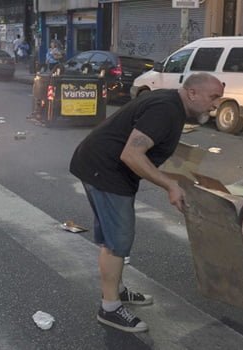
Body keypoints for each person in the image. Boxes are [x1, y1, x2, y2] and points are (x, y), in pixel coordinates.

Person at [69, 72, 224, 333]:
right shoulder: (165, 110)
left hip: (100, 166)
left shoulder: (172, 106)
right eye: (214, 97)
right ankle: (109, 308)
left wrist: (185, 177)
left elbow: (157, 146)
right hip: (105, 171)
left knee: (114, 238)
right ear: (192, 93)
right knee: (118, 241)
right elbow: (131, 154)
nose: (215, 105)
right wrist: (170, 185)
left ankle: (116, 289)